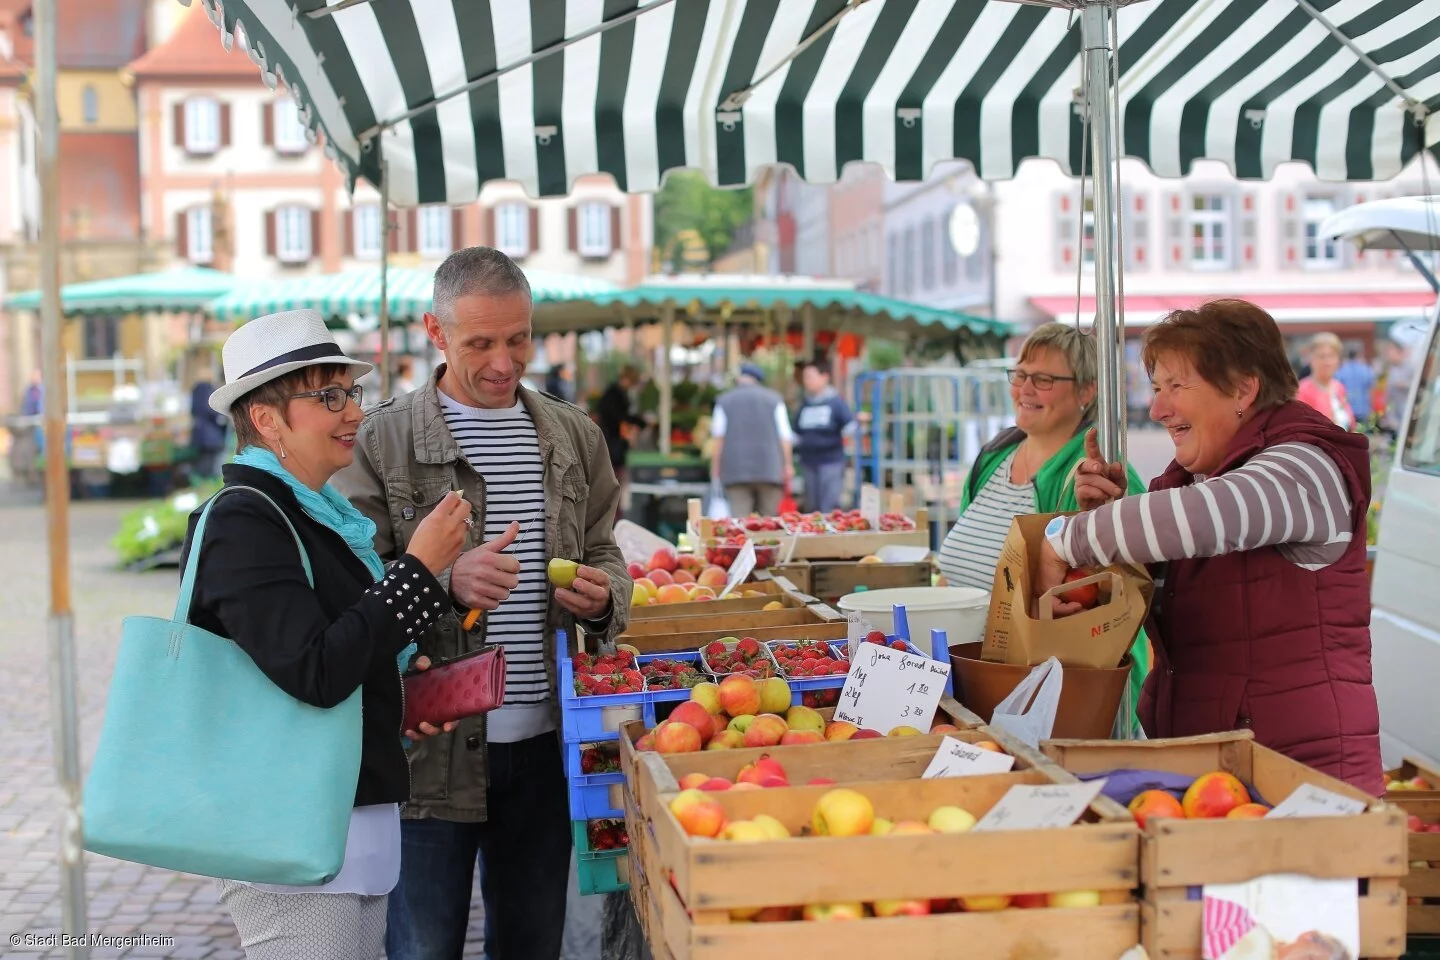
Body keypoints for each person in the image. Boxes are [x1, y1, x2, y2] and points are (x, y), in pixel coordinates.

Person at [335, 247, 632, 960]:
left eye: (518, 338)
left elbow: (605, 550)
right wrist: (440, 578)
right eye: (480, 343)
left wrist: (602, 597)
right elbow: (346, 586)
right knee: (422, 948)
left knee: (531, 945)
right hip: (425, 754)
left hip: (544, 750)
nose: (504, 362)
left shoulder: (573, 435)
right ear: (435, 333)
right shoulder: (380, 440)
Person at [184, 309, 470, 959]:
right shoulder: (244, 521)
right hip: (286, 826)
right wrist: (421, 570)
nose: (353, 414)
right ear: (266, 420)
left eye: (352, 393)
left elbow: (344, 650)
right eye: (328, 396)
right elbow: (314, 670)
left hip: (348, 817)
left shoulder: (322, 521)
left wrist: (400, 698)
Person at [1035, 299, 1381, 794]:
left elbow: (1210, 516)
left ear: (1243, 388)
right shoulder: (1198, 482)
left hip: (1302, 780)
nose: (1158, 409)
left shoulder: (1308, 465)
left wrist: (1065, 542)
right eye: (1156, 389)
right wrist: (1105, 518)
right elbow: (1166, 595)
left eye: (1177, 386)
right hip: (1212, 773)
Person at [937, 323, 1149, 728]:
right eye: (1020, 375)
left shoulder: (1097, 476)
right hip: (984, 682)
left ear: (1087, 391)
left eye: (1044, 379)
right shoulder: (993, 457)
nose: (1025, 388)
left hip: (1056, 698)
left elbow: (1109, 598)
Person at [711, 363, 794, 518]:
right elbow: (785, 437)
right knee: (770, 522)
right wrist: (787, 465)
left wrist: (716, 468)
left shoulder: (724, 400)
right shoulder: (774, 399)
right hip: (770, 469)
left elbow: (719, 439)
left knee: (739, 521)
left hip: (735, 470)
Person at [791, 357, 853, 513]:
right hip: (808, 463)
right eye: (805, 378)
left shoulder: (836, 403)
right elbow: (795, 433)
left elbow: (850, 427)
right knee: (811, 507)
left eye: (810, 377)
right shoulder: (804, 404)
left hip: (830, 462)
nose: (807, 381)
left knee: (829, 506)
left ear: (824, 377)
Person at [596, 366, 644, 520]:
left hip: (613, 444)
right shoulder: (614, 395)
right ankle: (613, 517)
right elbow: (618, 416)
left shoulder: (614, 393)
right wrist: (638, 421)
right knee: (613, 482)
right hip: (612, 445)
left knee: (614, 481)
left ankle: (615, 515)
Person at [1296, 332, 1355, 430]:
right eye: (1322, 356)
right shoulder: (1302, 391)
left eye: (1331, 356)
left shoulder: (1339, 387)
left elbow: (1350, 423)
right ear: (1311, 359)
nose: (1327, 362)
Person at [189, 366, 230, 480]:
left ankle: (204, 480)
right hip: (210, 432)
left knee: (204, 457)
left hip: (200, 431)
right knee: (210, 458)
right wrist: (221, 416)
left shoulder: (195, 390)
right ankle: (209, 479)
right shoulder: (206, 389)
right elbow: (209, 408)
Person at [1335, 348, 1375, 427]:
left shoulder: (1341, 370)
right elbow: (1372, 388)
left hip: (1347, 409)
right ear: (1358, 356)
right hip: (1363, 408)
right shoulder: (1366, 369)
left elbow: (1336, 389)